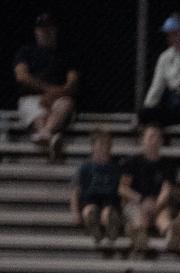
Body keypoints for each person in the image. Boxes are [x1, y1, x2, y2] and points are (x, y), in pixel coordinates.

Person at [13, 12, 76, 155]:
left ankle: (44, 134)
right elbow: (21, 76)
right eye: (42, 29)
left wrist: (54, 95)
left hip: (59, 98)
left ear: (55, 30)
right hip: (32, 97)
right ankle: (49, 137)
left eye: (49, 28)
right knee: (32, 106)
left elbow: (72, 83)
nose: (45, 32)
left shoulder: (65, 54)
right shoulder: (26, 51)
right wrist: (47, 91)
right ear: (36, 31)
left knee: (66, 103)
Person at [117, 123, 172, 254]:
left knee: (165, 218)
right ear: (143, 140)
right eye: (151, 137)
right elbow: (122, 188)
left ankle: (171, 236)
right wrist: (142, 200)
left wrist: (157, 205)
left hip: (158, 204)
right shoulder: (132, 162)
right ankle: (138, 233)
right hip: (136, 202)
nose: (155, 140)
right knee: (141, 218)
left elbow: (167, 189)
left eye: (158, 137)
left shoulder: (167, 165)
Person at [70, 130, 123, 248]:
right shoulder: (85, 167)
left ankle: (111, 228)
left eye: (106, 145)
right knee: (89, 211)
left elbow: (122, 188)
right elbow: (75, 190)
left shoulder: (116, 167)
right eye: (100, 144)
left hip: (109, 200)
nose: (103, 148)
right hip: (90, 199)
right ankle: (94, 229)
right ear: (93, 147)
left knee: (108, 212)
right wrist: (75, 212)